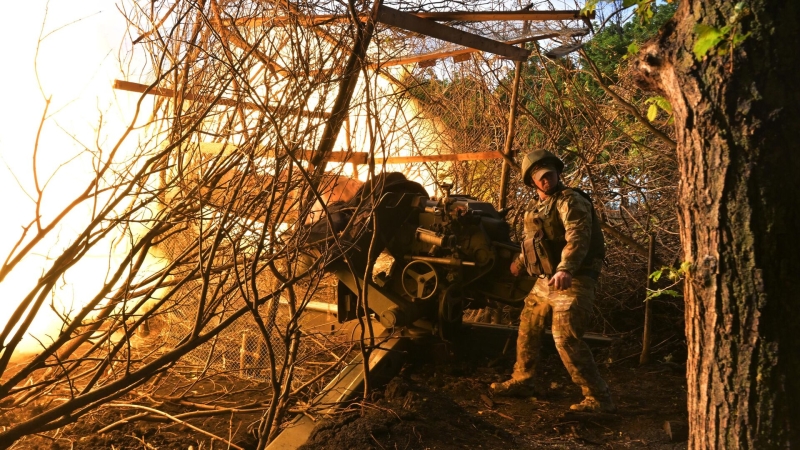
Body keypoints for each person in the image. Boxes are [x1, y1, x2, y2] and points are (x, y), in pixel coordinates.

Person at [490, 149, 615, 413]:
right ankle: (523, 380)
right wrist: (519, 265)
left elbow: (578, 237)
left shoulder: (570, 201)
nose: (546, 180)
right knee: (528, 326)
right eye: (540, 177)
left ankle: (599, 398)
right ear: (532, 182)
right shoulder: (536, 208)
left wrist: (566, 268)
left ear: (558, 174)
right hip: (547, 280)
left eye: (550, 174)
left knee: (566, 338)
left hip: (573, 279)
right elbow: (533, 243)